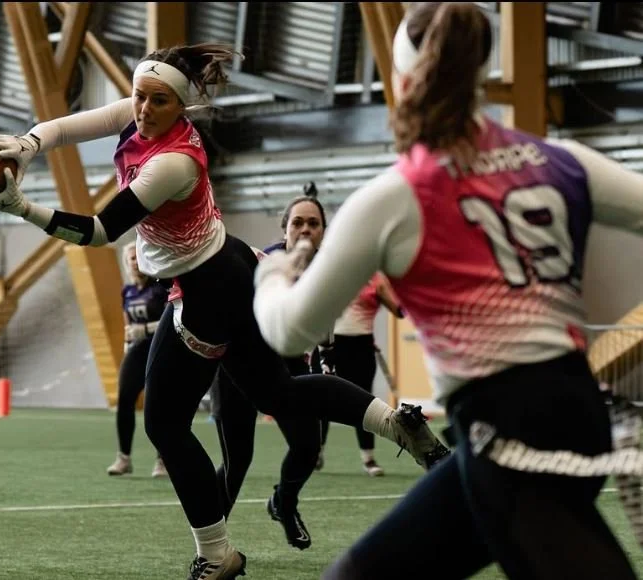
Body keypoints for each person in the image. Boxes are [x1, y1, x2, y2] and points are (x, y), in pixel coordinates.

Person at [0, 42, 449, 580]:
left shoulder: (172, 163)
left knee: (165, 423)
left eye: (158, 101)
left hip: (208, 290)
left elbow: (100, 231)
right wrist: (29, 143)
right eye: (139, 96)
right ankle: (397, 425)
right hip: (229, 265)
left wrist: (20, 207)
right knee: (278, 394)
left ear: (182, 106)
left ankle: (217, 556)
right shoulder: (143, 111)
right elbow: (66, 128)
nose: (143, 109)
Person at [252, 4, 640, 579]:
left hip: (509, 433)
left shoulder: (395, 195)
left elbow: (289, 331)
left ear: (402, 80)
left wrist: (273, 273)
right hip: (562, 413)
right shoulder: (562, 161)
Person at [209, 194, 329, 552]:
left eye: (313, 223)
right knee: (237, 460)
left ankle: (283, 503)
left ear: (324, 231)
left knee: (308, 447)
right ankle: (212, 545)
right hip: (240, 361)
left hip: (290, 362)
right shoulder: (261, 262)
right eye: (297, 222)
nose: (305, 229)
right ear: (284, 228)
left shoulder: (329, 270)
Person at [316, 273, 406, 476]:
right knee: (324, 398)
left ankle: (368, 458)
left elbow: (400, 311)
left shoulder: (377, 279)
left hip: (362, 347)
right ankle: (316, 452)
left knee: (364, 400)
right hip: (333, 345)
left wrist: (395, 289)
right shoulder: (336, 270)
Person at [107, 242, 169, 478]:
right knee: (124, 398)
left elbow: (172, 319)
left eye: (138, 257)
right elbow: (128, 326)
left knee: (159, 404)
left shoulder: (160, 287)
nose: (135, 262)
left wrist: (145, 329)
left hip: (160, 349)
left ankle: (163, 460)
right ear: (127, 263)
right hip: (137, 350)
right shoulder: (128, 291)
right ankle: (124, 458)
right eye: (131, 258)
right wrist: (127, 346)